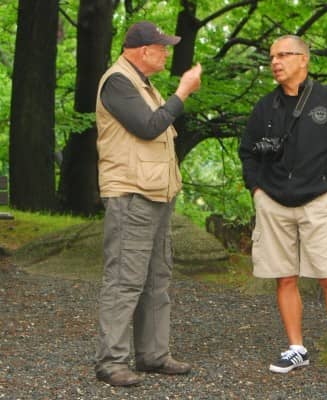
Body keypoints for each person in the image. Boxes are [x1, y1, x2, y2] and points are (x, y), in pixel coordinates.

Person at [238, 35, 327, 381]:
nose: (275, 62)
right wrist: (257, 191)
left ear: (303, 59)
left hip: (319, 202)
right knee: (284, 278)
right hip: (273, 202)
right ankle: (297, 348)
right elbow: (247, 152)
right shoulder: (265, 106)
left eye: (283, 55)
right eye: (272, 57)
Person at [94, 21, 202, 387]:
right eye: (162, 47)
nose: (167, 53)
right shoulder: (118, 82)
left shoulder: (142, 84)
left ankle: (153, 355)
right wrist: (182, 92)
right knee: (124, 280)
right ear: (143, 51)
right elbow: (149, 126)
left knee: (157, 278)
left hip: (155, 195)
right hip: (132, 195)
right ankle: (111, 362)